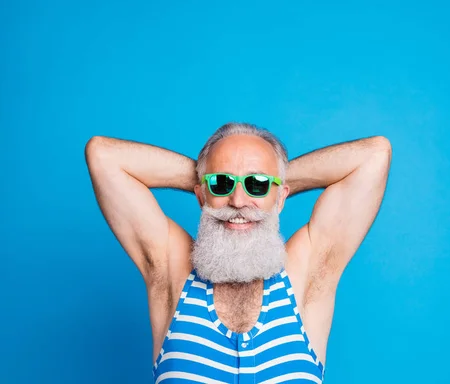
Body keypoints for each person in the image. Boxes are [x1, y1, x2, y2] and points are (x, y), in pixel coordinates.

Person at [85, 122, 392, 384]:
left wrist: (273, 177)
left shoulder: (306, 274)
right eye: (221, 184)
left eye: (257, 184)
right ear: (201, 193)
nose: (238, 200)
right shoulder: (171, 271)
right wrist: (211, 176)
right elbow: (103, 156)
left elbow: (374, 155)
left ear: (282, 195)